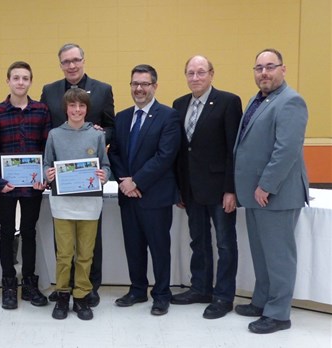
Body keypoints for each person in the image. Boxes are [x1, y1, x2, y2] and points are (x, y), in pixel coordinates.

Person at [233, 48, 309, 334]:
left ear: (283, 69)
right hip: (255, 194)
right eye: (258, 68)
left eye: (270, 67)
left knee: (278, 256)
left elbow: (286, 150)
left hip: (275, 194)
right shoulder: (258, 99)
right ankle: (262, 301)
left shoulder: (291, 102)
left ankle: (278, 314)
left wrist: (266, 185)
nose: (264, 73)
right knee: (262, 254)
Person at [40, 43, 115, 306]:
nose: (71, 65)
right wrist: (47, 172)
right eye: (66, 61)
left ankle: (86, 290)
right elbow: (46, 133)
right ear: (60, 64)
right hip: (62, 192)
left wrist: (99, 132)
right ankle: (63, 291)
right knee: (65, 249)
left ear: (83, 60)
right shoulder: (49, 92)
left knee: (88, 248)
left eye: (75, 60)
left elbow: (110, 127)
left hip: (88, 192)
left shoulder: (103, 90)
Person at [171, 55, 243, 319]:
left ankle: (223, 296)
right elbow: (181, 151)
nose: (195, 78)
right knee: (198, 240)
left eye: (201, 72)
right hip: (191, 190)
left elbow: (234, 150)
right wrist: (179, 188)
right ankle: (200, 288)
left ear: (211, 74)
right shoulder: (179, 104)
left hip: (219, 189)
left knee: (225, 243)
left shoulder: (228, 102)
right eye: (190, 73)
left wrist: (231, 189)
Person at [107, 64, 180, 316]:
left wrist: (135, 182)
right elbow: (114, 152)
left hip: (155, 196)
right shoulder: (122, 117)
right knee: (133, 246)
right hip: (128, 197)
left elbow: (165, 156)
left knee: (159, 247)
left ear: (155, 86)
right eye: (135, 84)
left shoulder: (168, 116)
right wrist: (124, 182)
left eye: (144, 84)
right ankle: (137, 289)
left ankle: (161, 294)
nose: (139, 88)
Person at [0, 61, 51, 309]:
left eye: (25, 78)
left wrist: (44, 178)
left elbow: (47, 148)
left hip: (32, 187)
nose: (20, 82)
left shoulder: (41, 110)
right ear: (8, 81)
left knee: (29, 232)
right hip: (6, 186)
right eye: (15, 78)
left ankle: (29, 283)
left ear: (30, 81)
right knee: (7, 233)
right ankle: (8, 284)